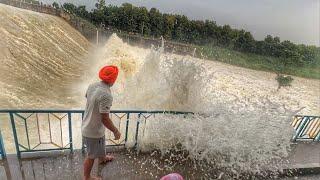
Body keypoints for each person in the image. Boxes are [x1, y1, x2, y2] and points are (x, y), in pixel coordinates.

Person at [82, 65, 121, 180]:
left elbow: (87, 97)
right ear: (113, 79)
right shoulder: (106, 95)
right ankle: (87, 177)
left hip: (89, 125)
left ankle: (103, 158)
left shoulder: (92, 85)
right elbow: (105, 118)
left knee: (101, 142)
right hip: (92, 131)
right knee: (91, 156)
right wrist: (115, 131)